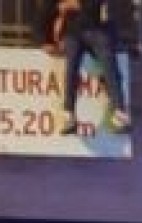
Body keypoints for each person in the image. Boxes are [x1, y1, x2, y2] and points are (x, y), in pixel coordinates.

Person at [41, 0, 132, 134]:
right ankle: (69, 114)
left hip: (96, 29)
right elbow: (47, 9)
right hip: (71, 33)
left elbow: (95, 6)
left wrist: (75, 5)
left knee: (108, 59)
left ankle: (120, 112)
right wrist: (45, 39)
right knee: (71, 65)